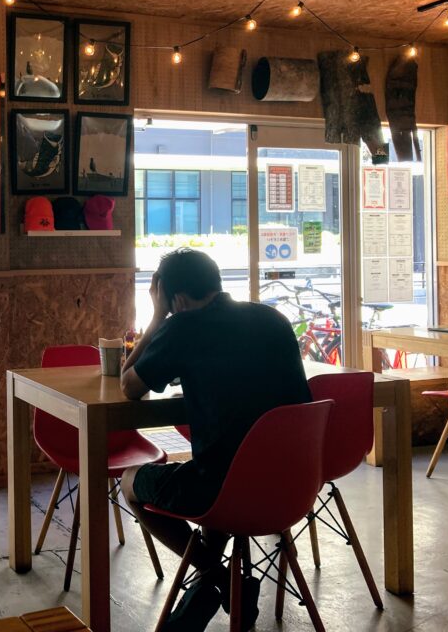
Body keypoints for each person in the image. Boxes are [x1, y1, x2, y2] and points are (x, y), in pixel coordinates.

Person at [119, 249, 311, 630]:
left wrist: (157, 317)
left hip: (223, 490)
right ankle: (211, 587)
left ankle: (219, 578)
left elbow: (128, 384)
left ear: (175, 299)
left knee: (129, 482)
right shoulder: (272, 319)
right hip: (293, 485)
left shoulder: (182, 328)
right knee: (219, 465)